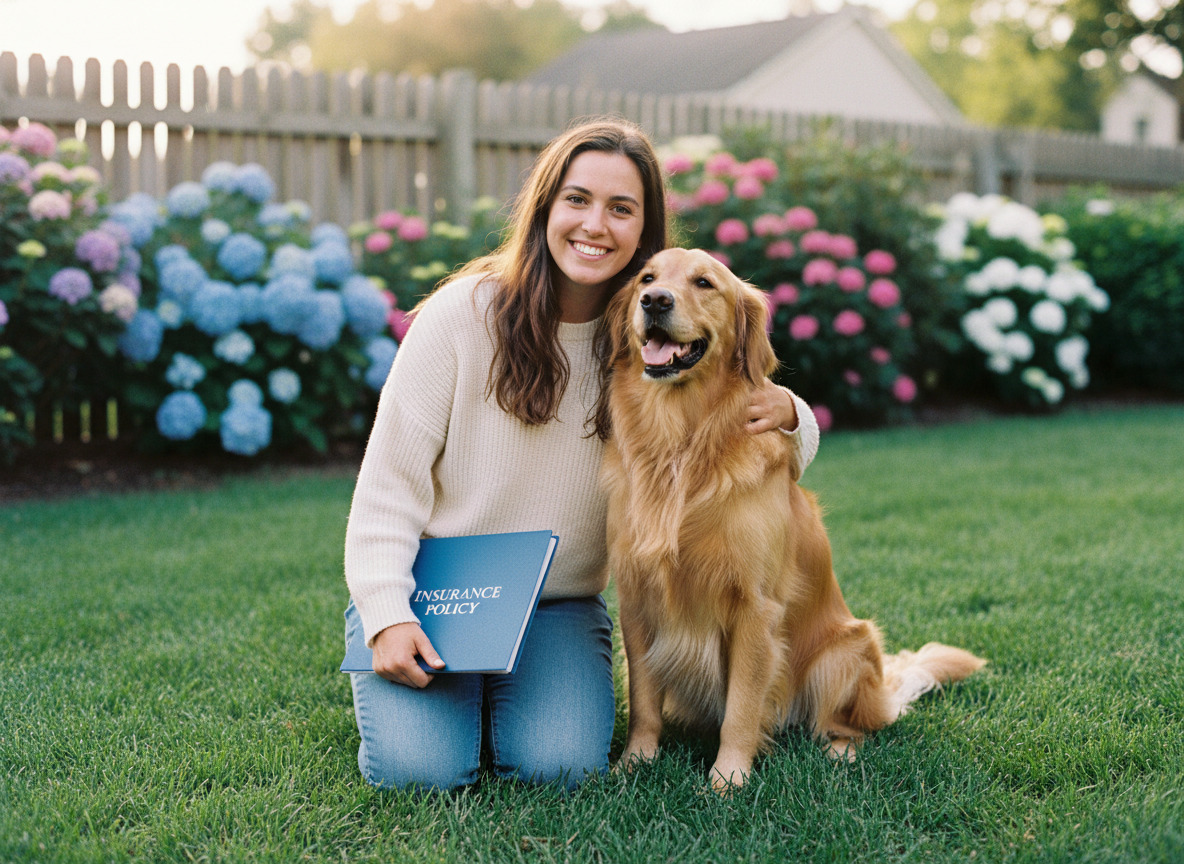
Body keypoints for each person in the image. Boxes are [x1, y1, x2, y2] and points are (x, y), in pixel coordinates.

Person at [343, 118, 820, 793]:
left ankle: (497, 696)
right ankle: (429, 692)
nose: (595, 224)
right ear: (544, 208)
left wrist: (796, 416)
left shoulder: (646, 337)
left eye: (621, 209)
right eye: (577, 199)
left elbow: (739, 408)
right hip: (436, 591)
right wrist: (388, 612)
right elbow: (385, 489)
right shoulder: (459, 317)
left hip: (554, 606)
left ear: (643, 230)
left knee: (560, 767)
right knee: (418, 771)